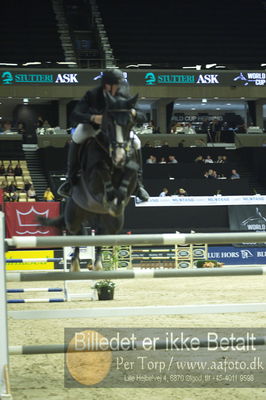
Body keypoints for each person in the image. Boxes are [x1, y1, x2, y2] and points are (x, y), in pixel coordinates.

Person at [57, 69, 149, 202]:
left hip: (115, 130)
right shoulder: (92, 94)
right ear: (107, 84)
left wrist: (134, 113)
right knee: (76, 137)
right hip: (93, 127)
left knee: (136, 142)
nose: (120, 87)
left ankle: (139, 185)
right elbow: (75, 114)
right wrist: (93, 118)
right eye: (118, 84)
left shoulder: (124, 95)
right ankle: (70, 180)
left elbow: (143, 116)